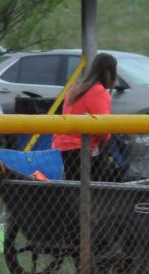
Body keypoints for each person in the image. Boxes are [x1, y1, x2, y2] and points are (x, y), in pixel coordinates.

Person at [53, 52, 120, 181]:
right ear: (110, 72)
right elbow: (103, 129)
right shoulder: (99, 91)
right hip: (81, 149)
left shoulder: (76, 87)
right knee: (89, 189)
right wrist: (109, 136)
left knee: (73, 187)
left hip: (62, 146)